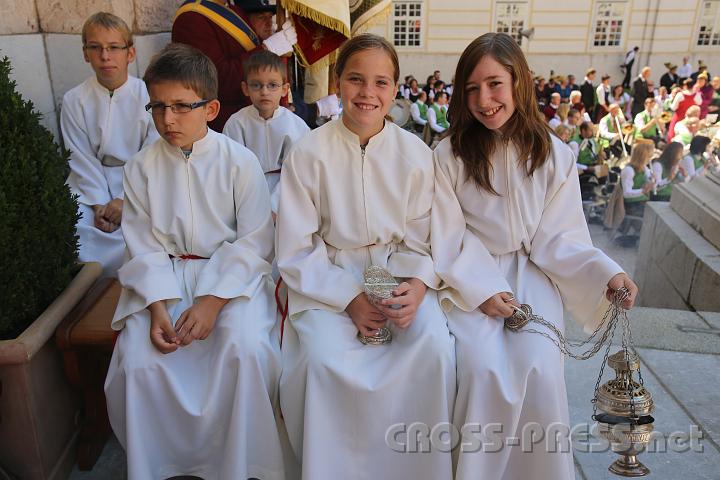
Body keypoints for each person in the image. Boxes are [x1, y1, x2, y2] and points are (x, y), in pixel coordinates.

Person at [430, 32, 637, 480]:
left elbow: (560, 238)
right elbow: (448, 234)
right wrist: (481, 289)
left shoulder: (553, 153)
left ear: (518, 83)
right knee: (481, 368)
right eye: (471, 89)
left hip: (532, 273)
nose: (483, 100)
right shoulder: (448, 155)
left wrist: (607, 273)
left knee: (540, 365)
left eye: (494, 84)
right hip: (469, 276)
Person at [276, 34, 455, 480]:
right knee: (322, 361)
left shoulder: (416, 154)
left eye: (380, 82)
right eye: (356, 79)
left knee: (432, 348)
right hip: (329, 277)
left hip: (394, 272)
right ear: (337, 83)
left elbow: (422, 237)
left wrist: (415, 286)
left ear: (395, 90)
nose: (367, 93)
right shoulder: (308, 152)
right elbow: (298, 246)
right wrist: (350, 299)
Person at [104, 43, 284, 479]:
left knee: (243, 347)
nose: (168, 119)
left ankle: (239, 463)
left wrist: (211, 303)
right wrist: (157, 306)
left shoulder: (240, 163)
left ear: (211, 108)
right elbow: (142, 245)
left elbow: (256, 241)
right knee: (139, 358)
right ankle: (160, 463)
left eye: (182, 107)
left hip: (231, 280)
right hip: (164, 278)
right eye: (158, 107)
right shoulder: (141, 168)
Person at [61, 12, 159, 278]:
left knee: (146, 232)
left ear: (130, 53)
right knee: (75, 226)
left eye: (114, 47)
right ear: (85, 54)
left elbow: (154, 152)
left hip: (140, 185)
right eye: (96, 47)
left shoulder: (150, 95)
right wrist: (100, 205)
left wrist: (125, 199)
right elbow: (79, 156)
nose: (105, 56)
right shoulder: (74, 100)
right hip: (91, 185)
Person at [172, 0, 297, 131]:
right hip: (226, 127)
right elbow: (212, 82)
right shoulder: (191, 18)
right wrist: (267, 49)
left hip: (256, 121)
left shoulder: (233, 9)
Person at [223, 50, 309, 216]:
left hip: (286, 193)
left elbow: (298, 171)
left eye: (272, 85)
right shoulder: (236, 123)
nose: (264, 92)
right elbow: (231, 168)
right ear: (245, 88)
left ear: (284, 89)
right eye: (256, 85)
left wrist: (275, 206)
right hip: (246, 193)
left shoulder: (296, 126)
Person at [621, 141, 655, 217]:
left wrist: (652, 182)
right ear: (642, 157)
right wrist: (643, 191)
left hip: (642, 201)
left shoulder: (645, 169)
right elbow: (626, 194)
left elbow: (650, 185)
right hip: (631, 205)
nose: (649, 160)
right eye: (648, 157)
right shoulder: (629, 170)